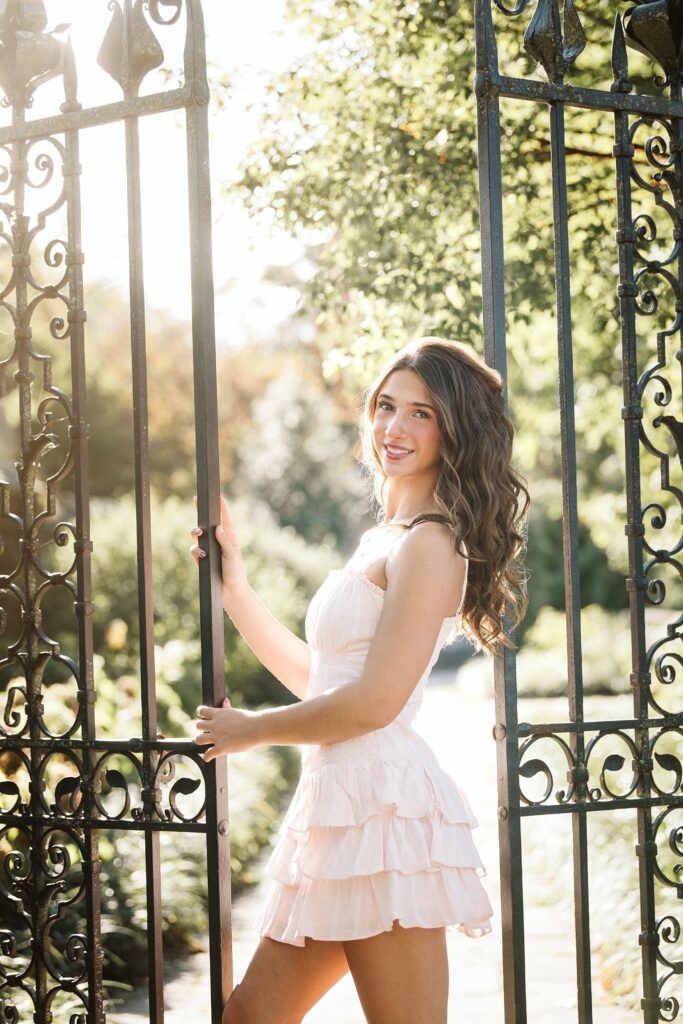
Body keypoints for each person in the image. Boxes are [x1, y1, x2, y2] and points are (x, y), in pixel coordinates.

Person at [189, 336, 529, 1024]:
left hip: (383, 809)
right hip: (338, 805)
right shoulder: (384, 537)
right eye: (386, 406)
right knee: (249, 1018)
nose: (393, 428)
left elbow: (375, 702)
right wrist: (237, 590)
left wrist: (252, 732)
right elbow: (320, 680)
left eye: (421, 414)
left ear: (454, 430)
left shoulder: (432, 542)